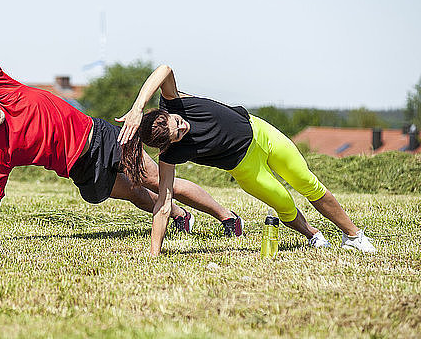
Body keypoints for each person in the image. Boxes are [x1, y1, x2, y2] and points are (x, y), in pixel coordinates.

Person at [0, 44, 244, 246]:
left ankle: (226, 217)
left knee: (154, 179)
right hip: (81, 169)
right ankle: (179, 216)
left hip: (99, 136)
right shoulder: (0, 152)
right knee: (134, 194)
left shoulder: (4, 89)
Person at [117, 64, 377, 256]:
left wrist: (138, 107)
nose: (183, 127)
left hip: (261, 133)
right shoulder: (169, 156)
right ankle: (312, 235)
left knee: (307, 182)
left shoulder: (175, 103)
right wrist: (153, 254)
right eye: (178, 134)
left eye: (178, 123)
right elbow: (164, 204)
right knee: (283, 203)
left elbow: (164, 69)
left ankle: (353, 236)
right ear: (168, 144)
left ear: (168, 114)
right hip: (244, 167)